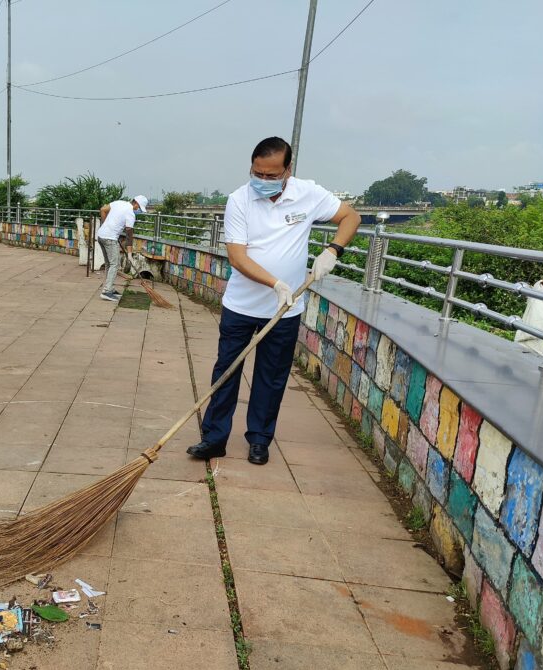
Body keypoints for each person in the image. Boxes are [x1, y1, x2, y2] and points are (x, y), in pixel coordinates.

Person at [187, 137, 361, 465]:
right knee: (227, 370)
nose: (263, 181)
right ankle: (214, 438)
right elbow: (237, 257)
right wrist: (276, 283)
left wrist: (333, 250)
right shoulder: (239, 200)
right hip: (241, 306)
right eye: (258, 174)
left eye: (271, 175)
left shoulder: (308, 193)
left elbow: (351, 217)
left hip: (285, 310)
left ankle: (259, 440)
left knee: (272, 376)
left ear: (287, 171)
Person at [96, 194, 149, 301]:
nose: (138, 210)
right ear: (136, 203)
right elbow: (129, 236)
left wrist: (105, 225)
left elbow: (102, 209)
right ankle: (106, 291)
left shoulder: (119, 203)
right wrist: (129, 254)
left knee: (109, 264)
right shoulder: (130, 214)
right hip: (110, 239)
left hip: (101, 235)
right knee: (115, 264)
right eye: (139, 207)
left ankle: (109, 288)